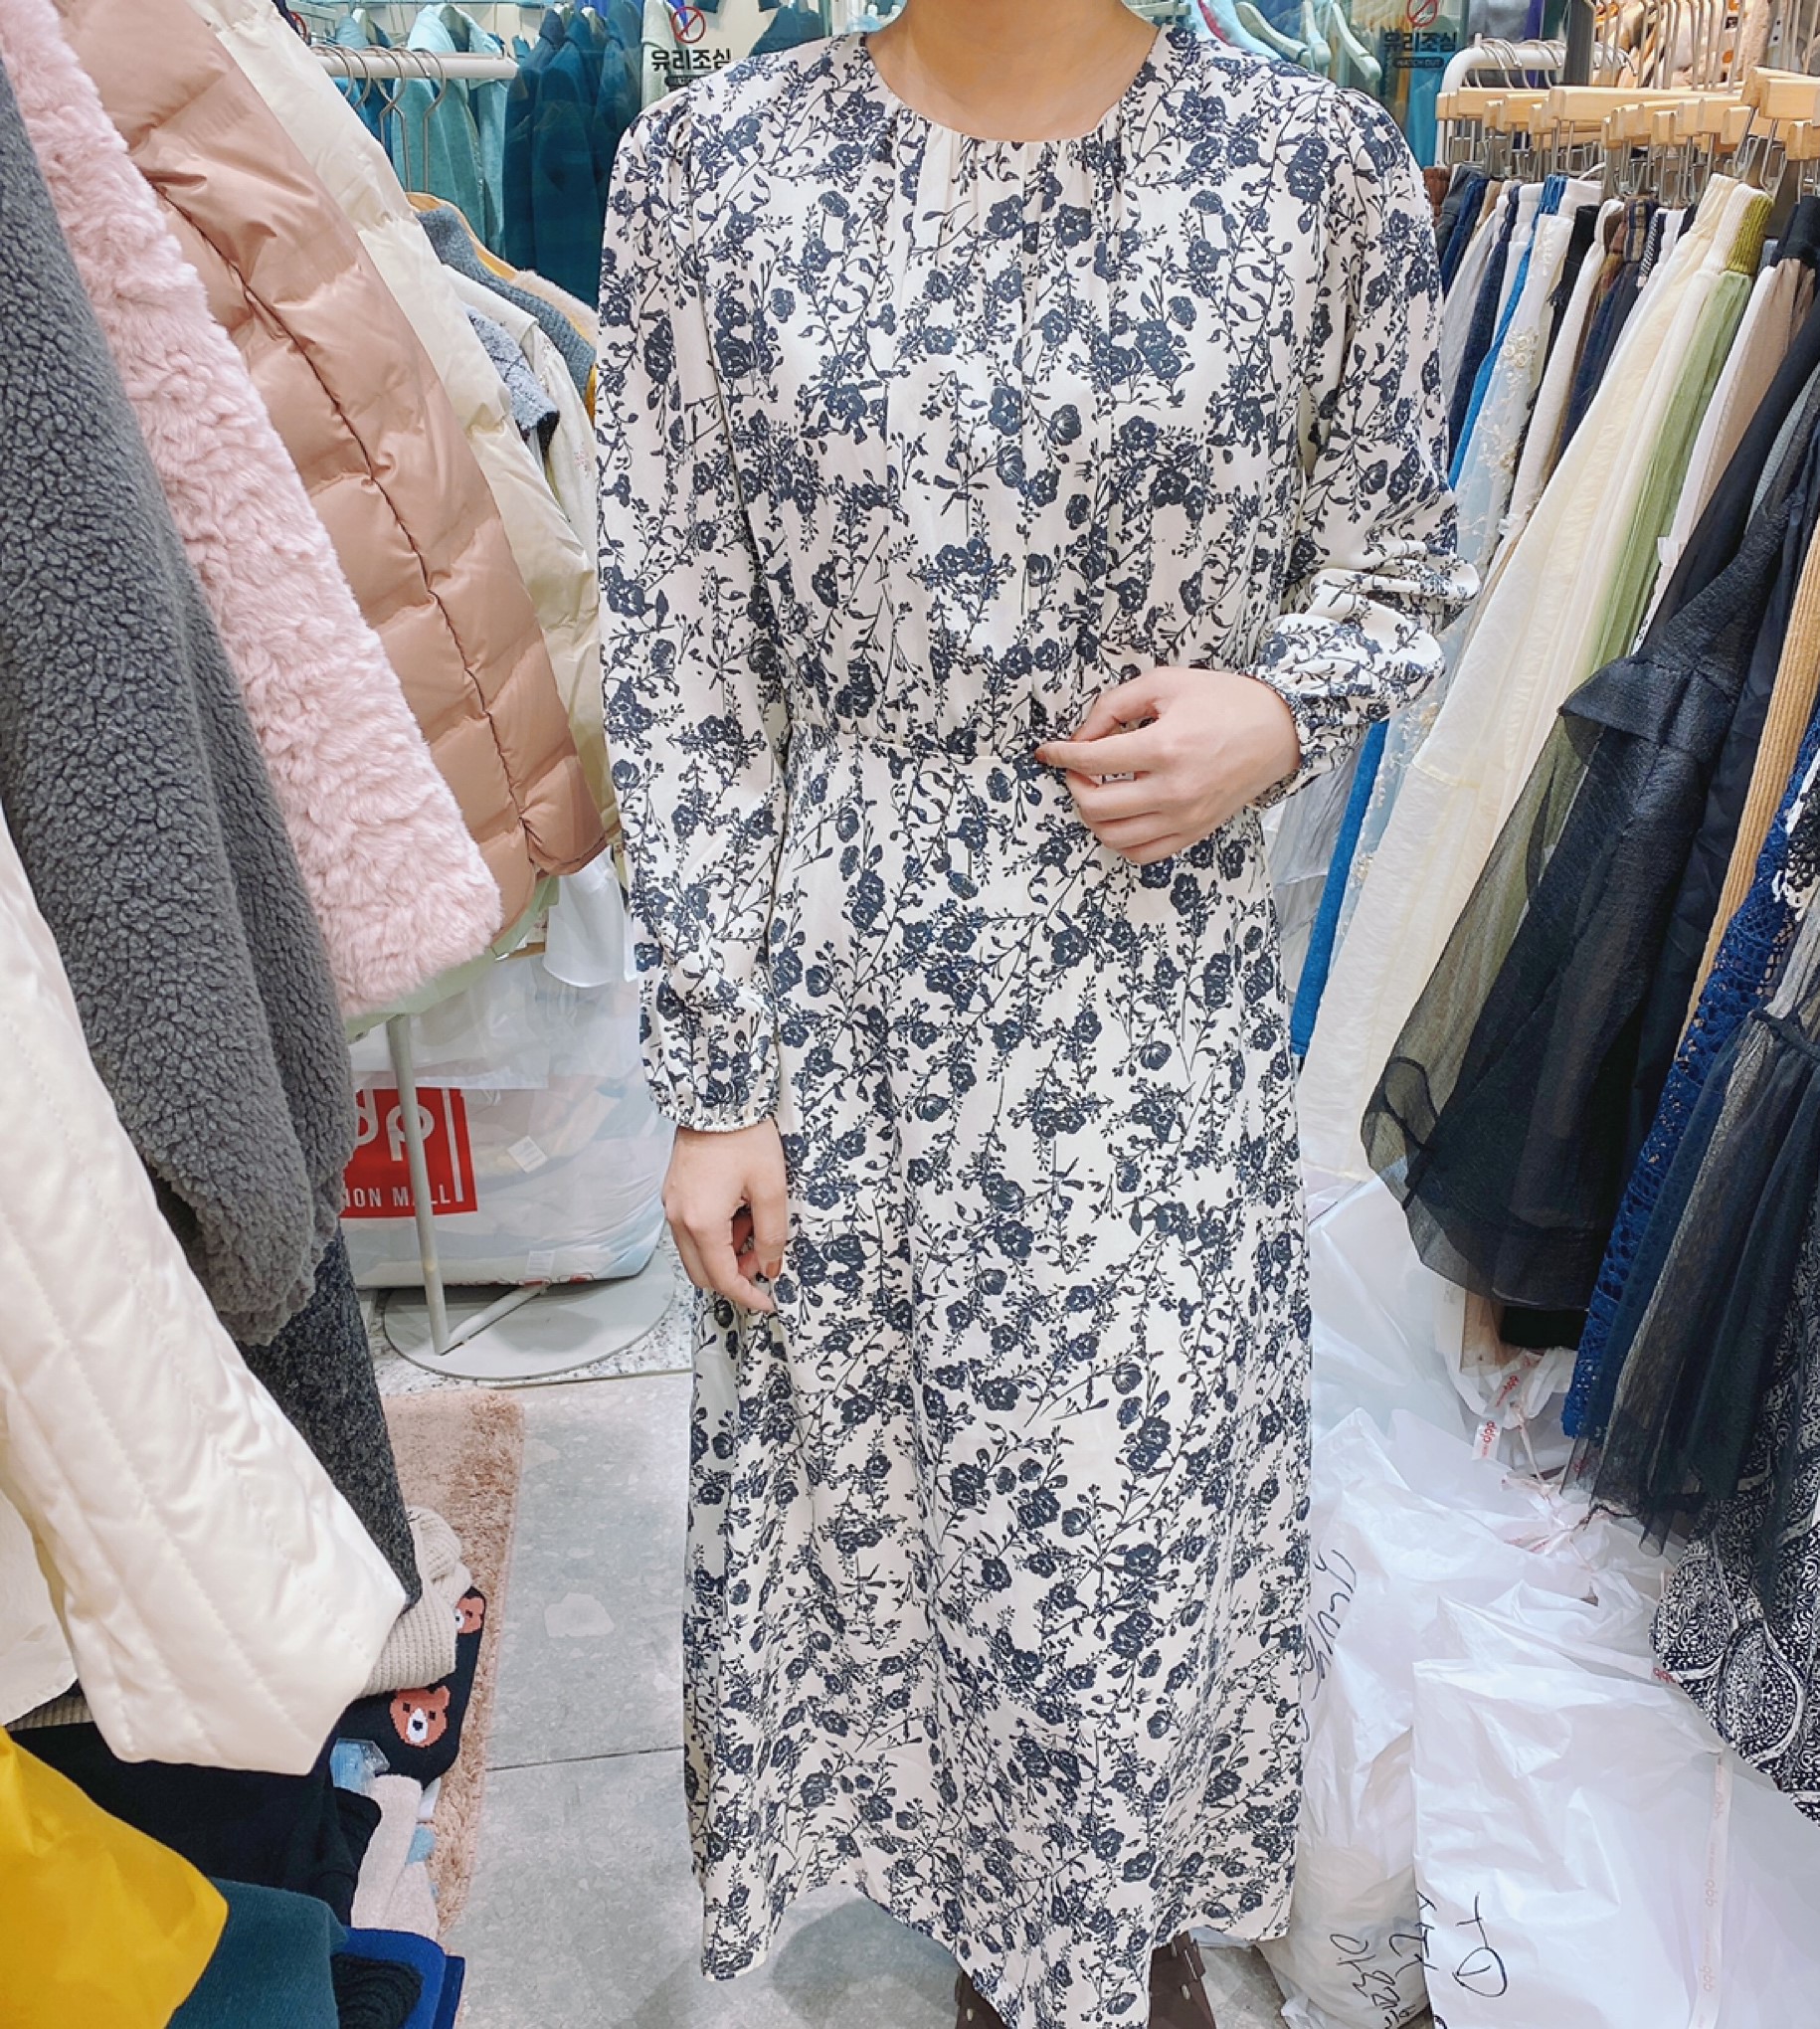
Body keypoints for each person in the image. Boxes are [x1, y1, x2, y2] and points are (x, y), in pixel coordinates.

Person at [597, 2, 1471, 2022]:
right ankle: (1001, 1949)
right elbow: (679, 651)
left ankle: (1103, 1961)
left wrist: (1282, 707)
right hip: (842, 1000)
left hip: (1143, 1006)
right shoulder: (711, 172)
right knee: (891, 1544)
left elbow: (1404, 569)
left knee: (1111, 1555)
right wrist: (715, 1072)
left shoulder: (1315, 166)